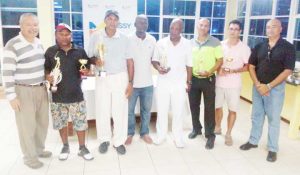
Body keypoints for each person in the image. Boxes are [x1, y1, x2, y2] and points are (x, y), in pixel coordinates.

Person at [240, 19, 295, 162]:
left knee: (273, 119)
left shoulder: (288, 47)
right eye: (268, 27)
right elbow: (251, 66)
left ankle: (272, 148)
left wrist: (269, 86)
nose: (270, 29)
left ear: (281, 28)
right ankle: (253, 141)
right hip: (257, 87)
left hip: (275, 90)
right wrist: (258, 84)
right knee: (256, 116)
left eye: (274, 27)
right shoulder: (259, 46)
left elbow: (288, 70)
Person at [2, 13, 51, 169]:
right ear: (21, 25)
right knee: (27, 126)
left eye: (35, 24)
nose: (33, 28)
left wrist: (47, 77)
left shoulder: (38, 43)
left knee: (42, 123)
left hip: (41, 89)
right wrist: (11, 97)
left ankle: (38, 149)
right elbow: (7, 73)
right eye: (29, 25)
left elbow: (39, 66)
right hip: (23, 91)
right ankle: (29, 157)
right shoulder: (13, 44)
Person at [44, 23, 94, 161]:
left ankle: (82, 148)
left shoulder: (80, 51)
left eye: (67, 34)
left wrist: (86, 71)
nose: (65, 37)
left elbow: (88, 69)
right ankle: (65, 146)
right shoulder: (50, 52)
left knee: (80, 123)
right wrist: (47, 76)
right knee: (61, 123)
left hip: (76, 94)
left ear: (71, 35)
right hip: (57, 95)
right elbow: (46, 69)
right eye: (61, 34)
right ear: (56, 35)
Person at [88, 10, 134, 155]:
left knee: (119, 110)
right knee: (102, 109)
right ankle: (104, 140)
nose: (112, 22)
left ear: (118, 22)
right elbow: (90, 57)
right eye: (109, 19)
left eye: (115, 19)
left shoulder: (124, 38)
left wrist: (131, 82)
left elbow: (130, 62)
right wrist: (96, 61)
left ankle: (119, 141)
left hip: (120, 77)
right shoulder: (96, 36)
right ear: (105, 20)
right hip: (102, 77)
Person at [152, 18, 192, 148]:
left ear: (182, 30)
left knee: (178, 112)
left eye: (177, 28)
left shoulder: (187, 44)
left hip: (179, 83)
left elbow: (189, 65)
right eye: (171, 28)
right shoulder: (161, 42)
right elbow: (154, 60)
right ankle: (161, 136)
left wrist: (189, 82)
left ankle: (178, 137)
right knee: (162, 110)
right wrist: (159, 68)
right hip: (163, 82)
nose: (173, 31)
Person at [188, 18, 223, 150]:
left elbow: (220, 61)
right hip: (194, 79)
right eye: (201, 25)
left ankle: (210, 135)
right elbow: (187, 60)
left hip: (208, 79)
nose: (203, 27)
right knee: (194, 106)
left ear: (209, 27)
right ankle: (196, 129)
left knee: (209, 108)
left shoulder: (215, 42)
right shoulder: (190, 42)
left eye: (206, 25)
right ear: (197, 26)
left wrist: (209, 71)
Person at [215, 20, 251, 146]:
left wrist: (232, 70)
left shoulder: (244, 48)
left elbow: (248, 67)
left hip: (234, 85)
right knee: (217, 107)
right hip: (219, 83)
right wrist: (219, 69)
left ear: (240, 31)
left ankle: (229, 133)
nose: (233, 31)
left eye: (236, 29)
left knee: (232, 110)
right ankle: (218, 127)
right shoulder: (220, 45)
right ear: (228, 30)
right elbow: (216, 62)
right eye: (231, 28)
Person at [125, 15, 156, 145]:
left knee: (146, 111)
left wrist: (160, 68)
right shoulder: (128, 39)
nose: (143, 25)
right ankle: (129, 133)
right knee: (129, 111)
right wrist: (129, 82)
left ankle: (144, 133)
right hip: (132, 83)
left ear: (147, 25)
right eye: (140, 23)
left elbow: (154, 60)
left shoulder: (152, 39)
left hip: (148, 83)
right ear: (135, 24)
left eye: (145, 23)